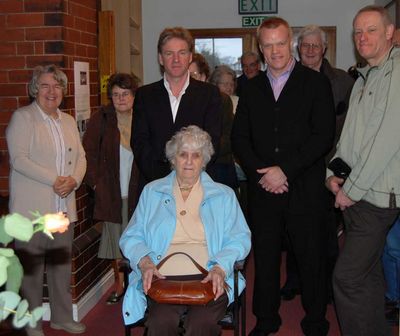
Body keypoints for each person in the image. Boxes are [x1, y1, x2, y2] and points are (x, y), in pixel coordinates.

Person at [231, 17, 335, 336]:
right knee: (264, 258)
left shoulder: (315, 82)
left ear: (289, 42)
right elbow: (239, 139)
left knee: (310, 258)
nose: (275, 50)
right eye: (268, 45)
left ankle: (315, 319)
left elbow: (323, 135)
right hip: (263, 191)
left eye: (280, 43)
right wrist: (262, 174)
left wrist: (284, 170)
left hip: (304, 189)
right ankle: (266, 319)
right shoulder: (250, 87)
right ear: (260, 48)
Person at [120, 125, 251, 336]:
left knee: (202, 325)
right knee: (160, 323)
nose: (189, 161)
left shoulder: (224, 195)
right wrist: (144, 262)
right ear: (173, 159)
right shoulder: (152, 191)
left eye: (196, 155)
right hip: (162, 277)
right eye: (183, 155)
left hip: (209, 276)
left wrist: (220, 268)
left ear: (204, 160)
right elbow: (132, 236)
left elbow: (239, 238)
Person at [326, 6, 400, 336]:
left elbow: (385, 142)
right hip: (356, 195)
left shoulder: (396, 73)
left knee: (346, 278)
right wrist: (332, 173)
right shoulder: (363, 76)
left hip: (376, 197)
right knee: (367, 277)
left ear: (389, 32)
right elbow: (351, 139)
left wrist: (349, 191)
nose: (362, 37)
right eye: (357, 32)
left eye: (371, 30)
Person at [6, 64, 87, 336]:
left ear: (64, 91)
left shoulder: (67, 120)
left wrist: (73, 180)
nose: (51, 91)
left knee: (60, 269)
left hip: (62, 209)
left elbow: (82, 157)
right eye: (45, 85)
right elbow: (19, 159)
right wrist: (55, 179)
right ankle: (30, 322)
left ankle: (61, 317)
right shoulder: (23, 118)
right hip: (32, 210)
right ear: (34, 89)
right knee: (31, 272)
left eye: (57, 86)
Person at [280, 24, 355, 301]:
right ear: (298, 48)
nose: (310, 50)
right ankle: (294, 280)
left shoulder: (343, 82)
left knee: (326, 233)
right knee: (292, 230)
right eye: (305, 45)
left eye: (315, 45)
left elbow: (350, 129)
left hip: (329, 169)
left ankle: (327, 287)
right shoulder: (284, 79)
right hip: (293, 168)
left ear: (324, 48)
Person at [131, 27, 222, 192]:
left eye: (181, 53)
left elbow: (212, 142)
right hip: (155, 185)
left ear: (190, 57)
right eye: (169, 53)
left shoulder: (209, 94)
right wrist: (165, 181)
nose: (176, 60)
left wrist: (187, 179)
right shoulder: (145, 95)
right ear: (160, 58)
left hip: (197, 186)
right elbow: (139, 142)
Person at [82, 73, 139, 305]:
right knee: (116, 242)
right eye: (115, 94)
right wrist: (95, 183)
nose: (121, 99)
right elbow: (87, 154)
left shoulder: (144, 116)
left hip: (138, 191)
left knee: (139, 239)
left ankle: (139, 285)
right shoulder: (102, 119)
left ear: (134, 95)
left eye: (125, 94)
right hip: (113, 192)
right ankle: (120, 285)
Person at [189, 54, 238, 190]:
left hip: (218, 168)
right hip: (186, 169)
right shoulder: (178, 101)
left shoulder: (221, 100)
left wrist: (200, 153)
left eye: (193, 75)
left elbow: (229, 137)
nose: (188, 80)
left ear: (204, 77)